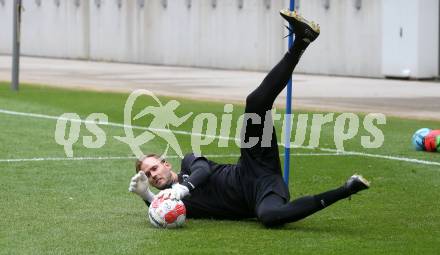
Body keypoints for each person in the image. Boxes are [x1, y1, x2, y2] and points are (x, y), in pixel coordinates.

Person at [128, 9, 370, 227]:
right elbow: (163, 211)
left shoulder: (189, 163)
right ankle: (346, 189)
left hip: (252, 165)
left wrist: (184, 187)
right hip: (263, 191)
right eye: (149, 175)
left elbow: (203, 171)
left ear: (166, 164)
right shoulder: (175, 204)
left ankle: (301, 41)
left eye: (154, 167)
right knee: (270, 217)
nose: (153, 175)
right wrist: (146, 196)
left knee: (255, 103)